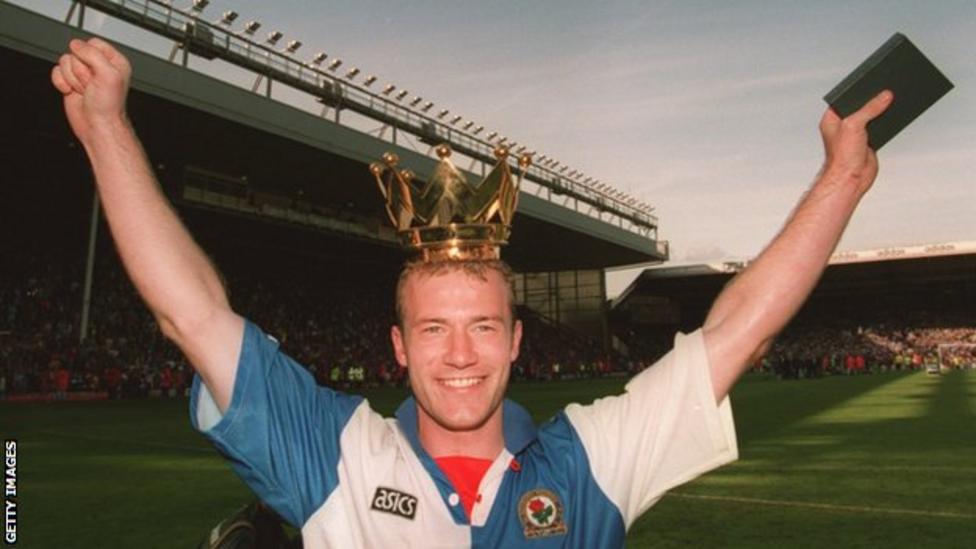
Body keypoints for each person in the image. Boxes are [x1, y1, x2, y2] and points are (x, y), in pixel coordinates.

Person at [53, 36, 892, 548]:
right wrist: (106, 128)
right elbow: (190, 311)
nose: (460, 355)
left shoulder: (589, 460)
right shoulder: (336, 454)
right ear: (397, 345)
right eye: (434, 329)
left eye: (485, 325)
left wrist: (841, 181)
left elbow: (735, 330)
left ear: (517, 339)